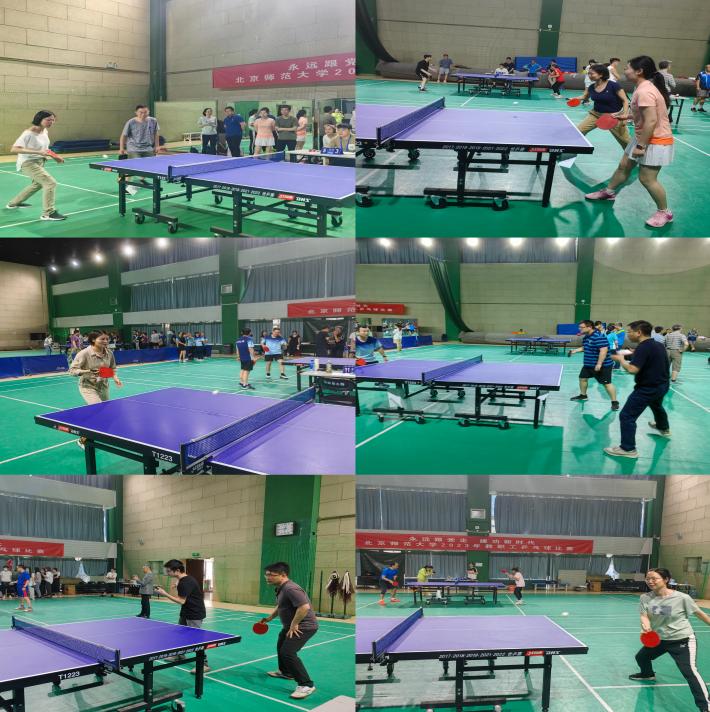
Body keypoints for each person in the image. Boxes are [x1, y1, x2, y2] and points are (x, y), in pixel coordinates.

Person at [585, 56, 674, 228]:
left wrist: (641, 146)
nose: (624, 70)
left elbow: (651, 121)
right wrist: (627, 116)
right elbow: (645, 115)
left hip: (655, 140)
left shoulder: (645, 91)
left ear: (639, 71)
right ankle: (609, 192)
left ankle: (665, 212)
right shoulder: (642, 87)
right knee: (623, 166)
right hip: (643, 137)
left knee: (647, 179)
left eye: (627, 68)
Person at [630, 568, 710, 712]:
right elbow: (644, 615)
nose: (650, 581)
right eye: (648, 579)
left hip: (681, 640)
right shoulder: (645, 598)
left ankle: (706, 706)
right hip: (660, 639)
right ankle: (648, 674)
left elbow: (699, 613)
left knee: (690, 672)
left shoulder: (682, 598)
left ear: (666, 580)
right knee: (641, 657)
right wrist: (646, 625)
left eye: (654, 578)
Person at [606, 320, 671, 458]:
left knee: (627, 416)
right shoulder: (657, 344)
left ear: (639, 332)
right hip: (663, 385)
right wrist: (632, 353)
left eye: (629, 332)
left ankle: (628, 449)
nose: (628, 334)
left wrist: (621, 359)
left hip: (647, 389)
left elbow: (632, 369)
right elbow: (649, 357)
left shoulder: (643, 348)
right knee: (657, 406)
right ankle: (663, 428)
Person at [257, 562, 319, 699]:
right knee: (281, 646)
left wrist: (294, 624)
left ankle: (306, 685)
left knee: (288, 652)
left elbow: (304, 607)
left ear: (283, 575)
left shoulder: (291, 588)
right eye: (266, 574)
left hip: (304, 626)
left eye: (271, 575)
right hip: (290, 626)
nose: (267, 577)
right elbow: (281, 606)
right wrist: (269, 618)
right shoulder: (281, 588)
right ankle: (286, 672)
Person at [6, 110, 66, 220]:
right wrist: (38, 152)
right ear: (39, 119)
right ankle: (48, 213)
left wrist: (55, 156)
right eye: (48, 120)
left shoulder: (44, 131)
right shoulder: (28, 133)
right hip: (28, 163)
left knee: (37, 184)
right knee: (50, 183)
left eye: (53, 120)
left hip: (39, 161)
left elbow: (45, 149)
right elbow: (14, 149)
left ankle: (13, 203)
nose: (51, 122)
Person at [69, 331, 122, 450]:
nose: (106, 341)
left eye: (107, 339)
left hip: (103, 386)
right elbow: (72, 370)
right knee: (97, 409)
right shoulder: (84, 353)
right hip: (88, 386)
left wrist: (115, 378)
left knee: (104, 412)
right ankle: (82, 438)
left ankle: (98, 431)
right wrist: (87, 371)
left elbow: (112, 368)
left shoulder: (109, 352)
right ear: (93, 340)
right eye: (102, 339)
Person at [155, 559, 211, 674]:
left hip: (194, 614)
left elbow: (181, 601)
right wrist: (177, 583)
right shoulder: (184, 579)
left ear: (177, 570)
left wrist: (164, 594)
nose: (167, 573)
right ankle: (179, 655)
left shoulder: (185, 583)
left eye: (169, 571)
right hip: (186, 612)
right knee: (179, 635)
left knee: (195, 640)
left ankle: (203, 664)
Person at [572, 64, 631, 150]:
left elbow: (625, 101)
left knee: (625, 141)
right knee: (579, 131)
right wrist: (575, 99)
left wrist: (625, 116)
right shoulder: (591, 87)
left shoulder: (613, 85)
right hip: (595, 114)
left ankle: (633, 155)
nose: (589, 75)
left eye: (592, 73)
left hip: (614, 116)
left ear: (601, 74)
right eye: (588, 73)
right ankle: (572, 151)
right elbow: (585, 96)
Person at [568, 320, 619, 410]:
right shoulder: (587, 337)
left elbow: (603, 350)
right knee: (582, 378)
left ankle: (614, 402)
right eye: (579, 327)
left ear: (589, 327)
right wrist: (575, 350)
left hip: (603, 365)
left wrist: (599, 364)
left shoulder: (598, 336)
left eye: (582, 327)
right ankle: (583, 395)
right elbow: (586, 347)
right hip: (589, 364)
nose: (580, 329)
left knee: (607, 384)